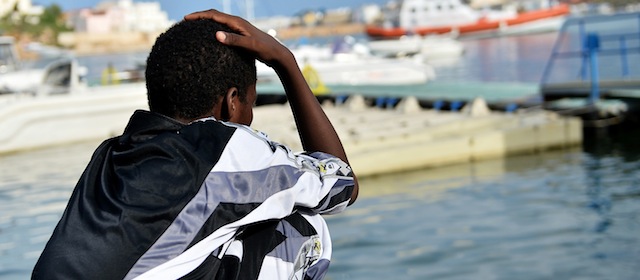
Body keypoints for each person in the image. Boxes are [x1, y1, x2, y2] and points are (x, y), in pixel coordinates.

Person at [32, 9, 358, 280]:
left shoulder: (109, 156)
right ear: (232, 102)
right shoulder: (224, 148)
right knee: (306, 226)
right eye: (250, 104)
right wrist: (285, 62)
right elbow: (343, 183)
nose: (250, 117)